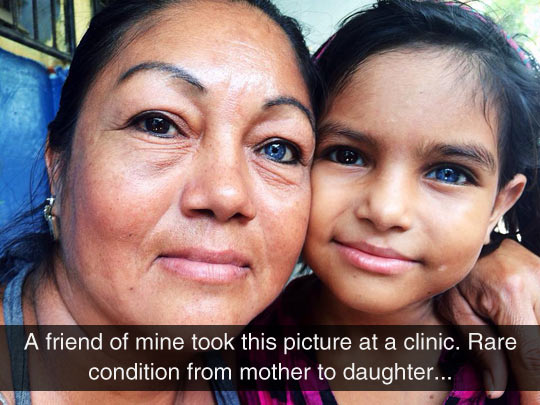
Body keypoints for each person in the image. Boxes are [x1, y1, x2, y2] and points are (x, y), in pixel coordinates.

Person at [0, 0, 538, 404]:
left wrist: (487, 258)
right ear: (58, 160)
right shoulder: (259, 353)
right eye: (159, 124)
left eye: (277, 147)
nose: (226, 194)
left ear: (500, 202)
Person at [239, 0, 540, 403]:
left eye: (448, 173)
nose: (385, 211)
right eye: (347, 155)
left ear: (499, 205)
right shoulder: (224, 347)